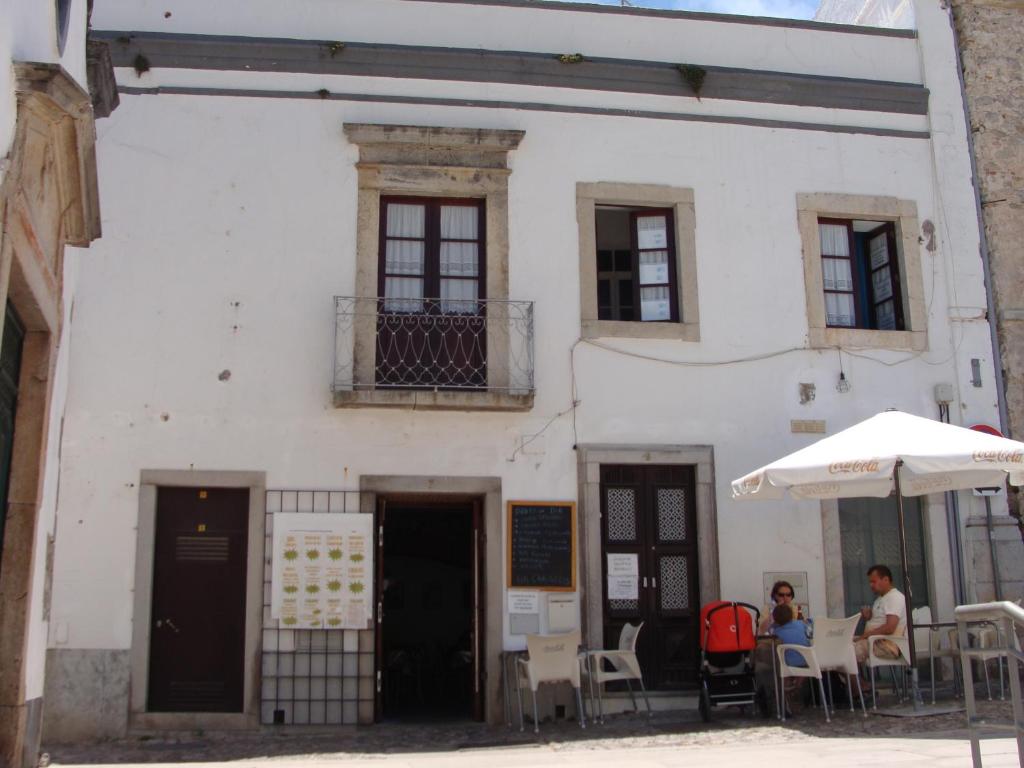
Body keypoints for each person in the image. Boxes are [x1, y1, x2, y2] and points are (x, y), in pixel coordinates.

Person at [853, 564, 907, 664]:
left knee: (847, 652)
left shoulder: (895, 597)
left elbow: (890, 627)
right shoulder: (880, 598)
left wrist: (865, 635)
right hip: (874, 641)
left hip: (886, 646)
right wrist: (868, 617)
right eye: (870, 582)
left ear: (886, 580)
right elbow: (878, 621)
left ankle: (857, 680)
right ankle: (855, 679)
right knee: (841, 644)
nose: (871, 585)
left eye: (873, 581)